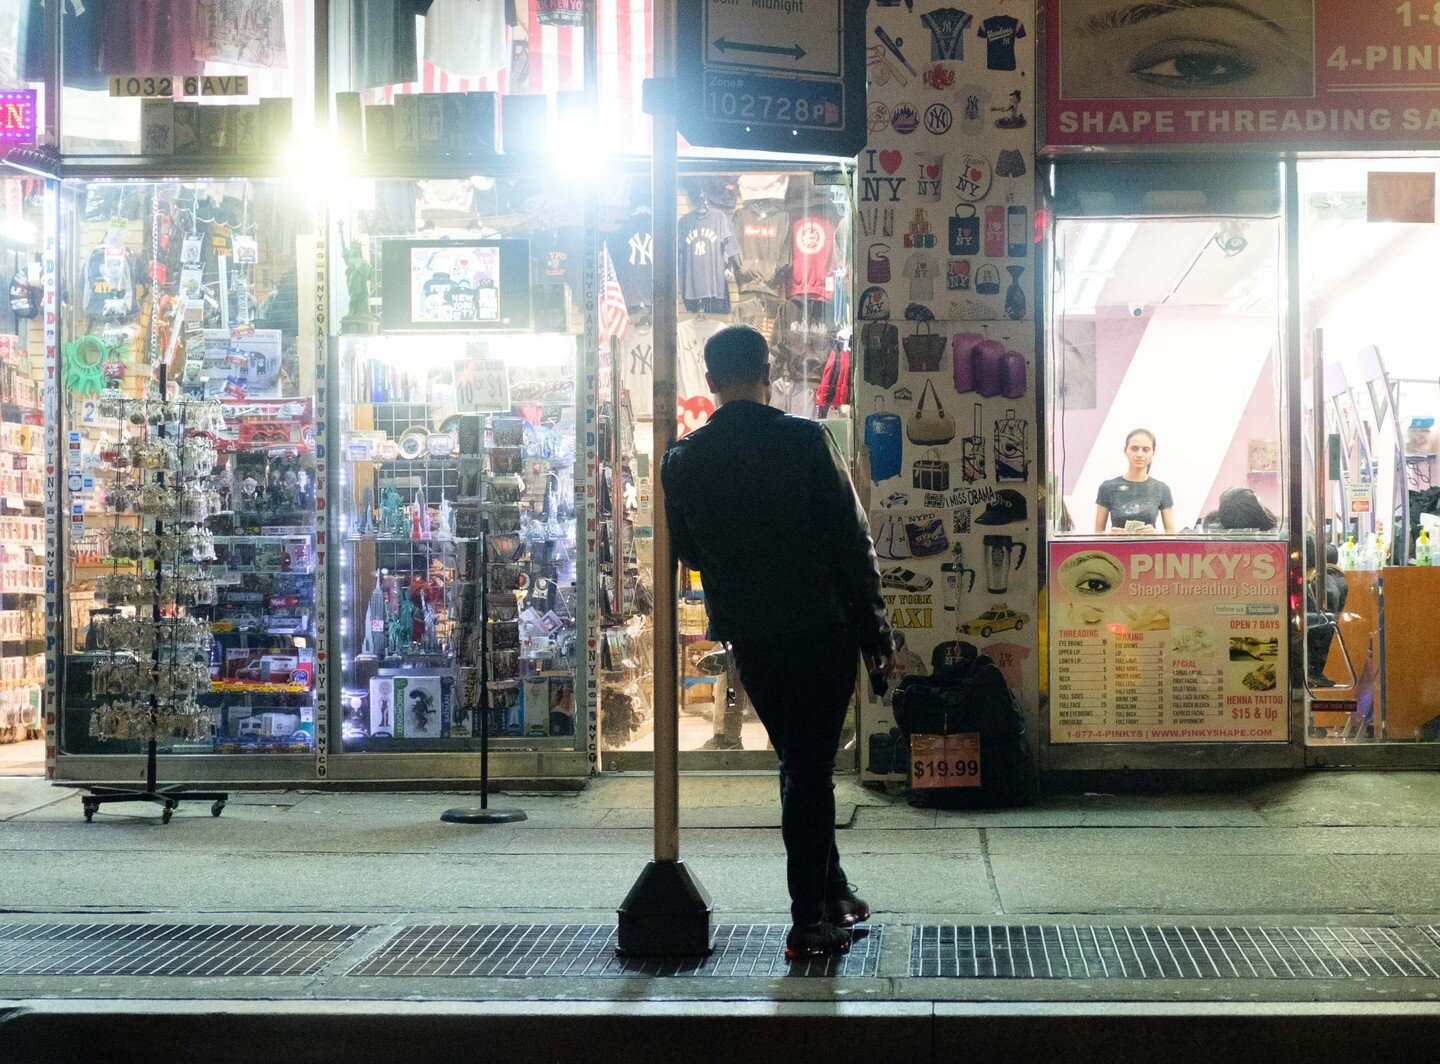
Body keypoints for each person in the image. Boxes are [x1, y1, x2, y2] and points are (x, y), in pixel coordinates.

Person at [662, 325, 893, 961]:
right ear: (768, 374)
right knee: (810, 765)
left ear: (710, 383)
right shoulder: (804, 439)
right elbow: (852, 542)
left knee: (799, 758)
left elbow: (689, 556)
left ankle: (835, 889)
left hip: (752, 630)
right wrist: (877, 634)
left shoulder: (683, 460)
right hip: (823, 624)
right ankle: (809, 917)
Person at [1095, 428, 1175, 533]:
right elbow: (1097, 535)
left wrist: (1155, 534)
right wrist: (1110, 536)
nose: (1139, 454)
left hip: (1149, 549)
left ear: (1153, 453)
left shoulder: (1161, 489)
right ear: (1125, 451)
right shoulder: (1108, 487)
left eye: (1145, 450)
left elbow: (1171, 536)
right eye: (1134, 448)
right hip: (1116, 548)